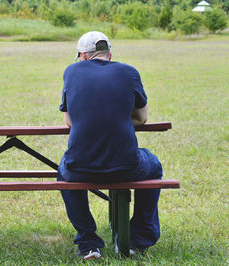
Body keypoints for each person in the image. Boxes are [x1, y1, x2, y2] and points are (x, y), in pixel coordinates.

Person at [57, 31, 163, 260]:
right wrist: (119, 118)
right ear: (110, 54)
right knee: (153, 165)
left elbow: (69, 121)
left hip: (80, 167)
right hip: (126, 165)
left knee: (64, 171)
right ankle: (138, 238)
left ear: (82, 56)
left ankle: (88, 242)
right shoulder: (129, 72)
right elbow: (142, 118)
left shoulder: (71, 71)